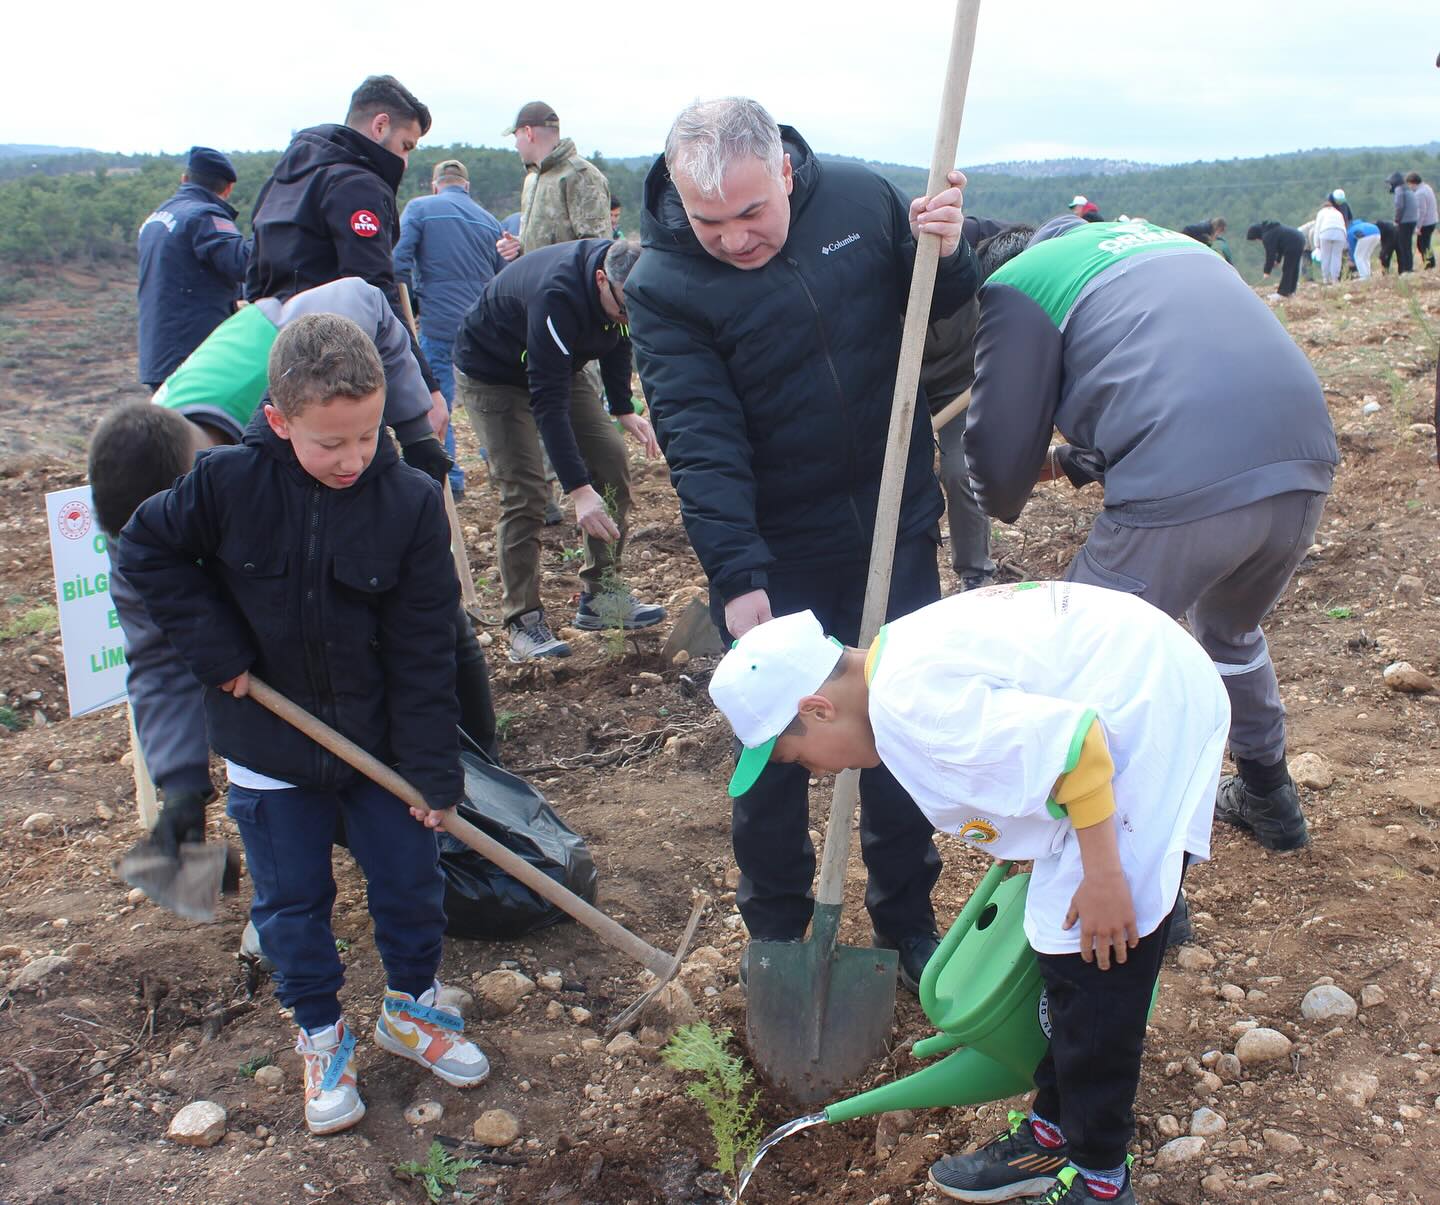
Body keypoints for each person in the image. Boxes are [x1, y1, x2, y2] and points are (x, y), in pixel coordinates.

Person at [708, 587, 1229, 1205]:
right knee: (1070, 950)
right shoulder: (893, 663)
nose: (816, 773)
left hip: (1145, 710)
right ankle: (1052, 1132)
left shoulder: (914, 709)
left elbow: (1081, 749)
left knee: (1095, 959)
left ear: (818, 709)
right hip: (1137, 678)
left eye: (796, 758)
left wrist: (1106, 879)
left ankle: (1100, 1179)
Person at [626, 96, 979, 990]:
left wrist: (946, 243)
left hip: (892, 516)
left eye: (752, 213)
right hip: (776, 546)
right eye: (709, 222)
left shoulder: (861, 204)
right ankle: (777, 930)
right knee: (773, 749)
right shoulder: (665, 287)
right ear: (677, 199)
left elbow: (941, 297)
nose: (735, 238)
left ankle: (907, 922)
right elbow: (701, 438)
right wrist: (738, 574)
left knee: (894, 722)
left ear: (784, 170)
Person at [118, 315, 491, 1136]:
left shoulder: (406, 503)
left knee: (411, 880)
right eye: (331, 443)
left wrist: (433, 769)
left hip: (379, 747)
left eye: (366, 435)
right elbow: (145, 550)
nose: (353, 458)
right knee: (293, 904)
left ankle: (411, 1007)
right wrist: (213, 647)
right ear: (281, 420)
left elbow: (427, 648)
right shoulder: (225, 484)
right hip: (270, 747)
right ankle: (322, 1034)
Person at [965, 215, 1337, 857]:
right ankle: (1270, 796)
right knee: (1231, 634)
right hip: (1301, 466)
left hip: (1185, 484)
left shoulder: (1018, 283)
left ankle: (1142, 868)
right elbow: (1171, 376)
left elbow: (999, 477)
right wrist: (1071, 459)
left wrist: (986, 486)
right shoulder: (1163, 242)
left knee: (1087, 655)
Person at [453, 238, 665, 661]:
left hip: (558, 366)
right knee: (527, 492)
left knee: (610, 458)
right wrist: (578, 490)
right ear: (601, 280)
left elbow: (620, 336)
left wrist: (623, 408)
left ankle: (602, 596)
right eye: (624, 306)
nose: (629, 315)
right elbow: (547, 403)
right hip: (493, 373)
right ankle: (521, 620)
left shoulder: (627, 287)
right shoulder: (557, 297)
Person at [244, 73, 447, 431]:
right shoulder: (358, 184)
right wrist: (425, 390)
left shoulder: (281, 180)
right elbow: (374, 291)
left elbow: (252, 275)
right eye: (406, 145)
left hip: (275, 359)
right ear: (380, 125)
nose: (405, 160)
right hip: (334, 366)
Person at [394, 158, 505, 497]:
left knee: (436, 403)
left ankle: (449, 483)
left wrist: (403, 308)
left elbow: (397, 263)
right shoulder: (490, 221)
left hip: (439, 326)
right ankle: (504, 474)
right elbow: (504, 278)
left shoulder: (420, 208)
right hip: (482, 329)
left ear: (435, 184)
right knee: (490, 406)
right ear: (466, 186)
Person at [136, 147, 250, 389]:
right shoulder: (203, 216)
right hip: (195, 358)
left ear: (184, 179)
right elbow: (243, 263)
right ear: (228, 188)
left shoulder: (156, 218)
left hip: (157, 354)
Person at [495, 102, 611, 262]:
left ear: (528, 133)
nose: (515, 145)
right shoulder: (531, 180)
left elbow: (597, 248)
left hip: (566, 286)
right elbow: (545, 241)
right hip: (534, 284)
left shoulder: (581, 175)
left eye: (516, 136)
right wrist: (518, 247)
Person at [1246, 220, 1306, 297]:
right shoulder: (1271, 230)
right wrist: (1278, 260)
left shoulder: (1267, 236)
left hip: (1293, 243)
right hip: (1299, 239)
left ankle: (1282, 293)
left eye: (1256, 239)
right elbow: (1280, 247)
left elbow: (1270, 254)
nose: (1258, 240)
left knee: (1288, 268)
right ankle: (1291, 291)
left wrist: (1267, 271)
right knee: (1293, 267)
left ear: (1256, 234)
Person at [1387, 171, 1418, 273]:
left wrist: (1396, 220)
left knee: (1403, 245)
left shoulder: (1399, 190)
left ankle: (1406, 269)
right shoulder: (1407, 189)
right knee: (1407, 245)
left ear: (1395, 182)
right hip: (1413, 220)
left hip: (1405, 221)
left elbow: (1399, 207)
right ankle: (1409, 267)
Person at [1313, 197, 1348, 285]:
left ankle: (1325, 278)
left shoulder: (1321, 212)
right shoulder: (1338, 213)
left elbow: (1317, 228)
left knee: (1326, 256)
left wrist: (1316, 243)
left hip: (1326, 232)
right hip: (1340, 233)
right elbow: (1344, 225)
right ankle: (1335, 279)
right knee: (1336, 256)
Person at [1408, 172, 1437, 269]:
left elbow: (1421, 212)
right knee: (1425, 244)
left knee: (1422, 245)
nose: (1409, 187)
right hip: (1432, 220)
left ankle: (1429, 265)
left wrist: (1417, 227)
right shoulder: (1426, 187)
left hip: (1426, 223)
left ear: (1413, 183)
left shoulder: (1420, 193)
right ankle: (1430, 264)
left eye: (1409, 184)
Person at [1347, 216, 1381, 280]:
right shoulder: (1361, 224)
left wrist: (1352, 259)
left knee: (1358, 257)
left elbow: (1352, 247)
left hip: (1365, 235)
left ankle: (1364, 276)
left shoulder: (1350, 231)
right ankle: (1367, 275)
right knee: (1365, 256)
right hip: (1377, 233)